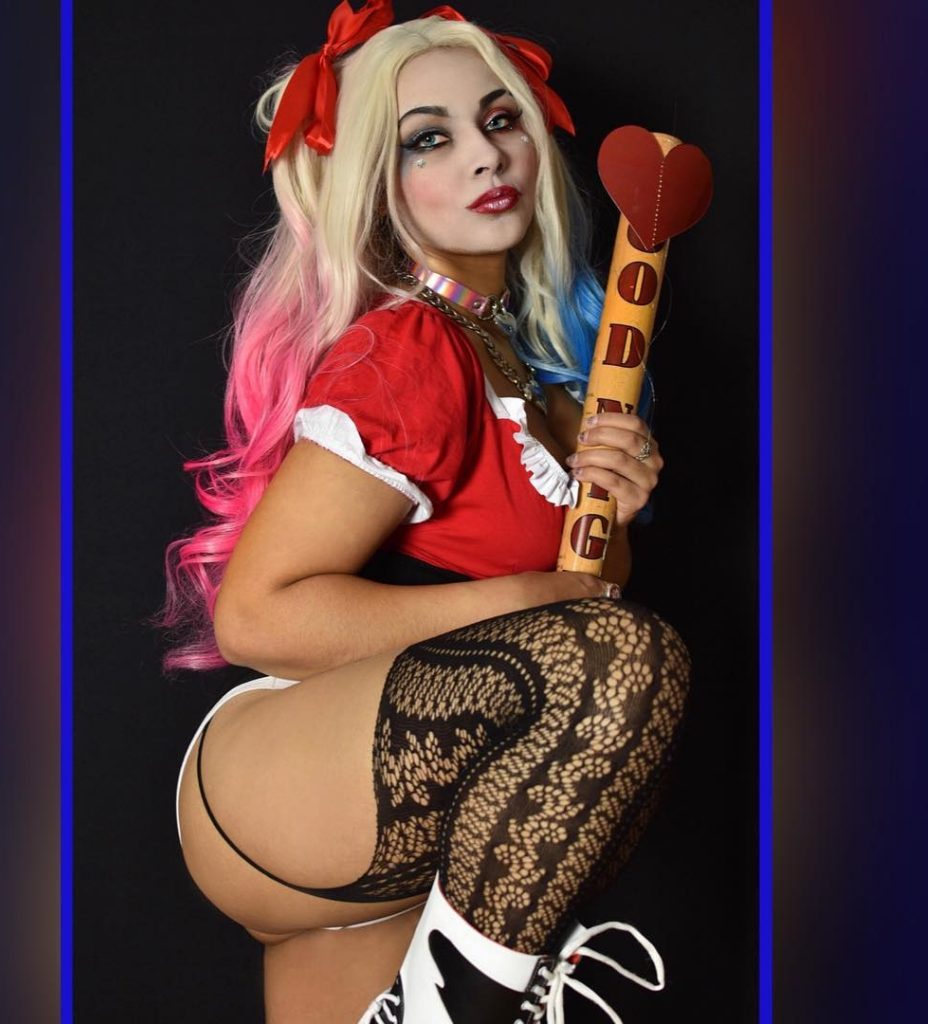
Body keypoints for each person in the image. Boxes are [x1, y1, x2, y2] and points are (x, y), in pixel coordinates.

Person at [163, 3, 690, 1021]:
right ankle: (462, 996)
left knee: (625, 676)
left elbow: (582, 616)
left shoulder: (549, 386)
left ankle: (451, 988)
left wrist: (613, 513)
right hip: (295, 774)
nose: (485, 155)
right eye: (427, 139)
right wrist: (528, 596)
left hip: (411, 818)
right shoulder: (412, 347)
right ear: (377, 181)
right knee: (630, 659)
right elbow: (256, 617)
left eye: (500, 120)